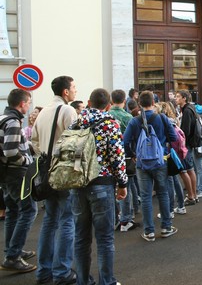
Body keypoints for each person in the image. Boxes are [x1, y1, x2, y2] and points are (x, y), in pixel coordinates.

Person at [69, 88, 128, 285]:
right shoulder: (110, 124)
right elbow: (117, 157)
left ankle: (83, 281)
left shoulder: (75, 122)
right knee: (105, 239)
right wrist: (122, 183)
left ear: (88, 102)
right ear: (108, 105)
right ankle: (107, 281)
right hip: (102, 183)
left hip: (77, 183)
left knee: (81, 237)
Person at [32, 75, 78, 285]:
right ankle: (62, 272)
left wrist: (44, 154)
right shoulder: (67, 110)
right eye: (74, 88)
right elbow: (77, 141)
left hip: (45, 171)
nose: (76, 91)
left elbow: (33, 141)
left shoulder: (42, 113)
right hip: (63, 170)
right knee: (67, 220)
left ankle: (44, 272)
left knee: (50, 221)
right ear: (66, 92)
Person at [123, 91, 178, 242]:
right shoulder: (161, 118)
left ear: (139, 103)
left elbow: (125, 141)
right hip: (160, 160)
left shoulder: (134, 121)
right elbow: (173, 137)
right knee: (163, 193)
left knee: (146, 196)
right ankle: (166, 227)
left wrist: (133, 154)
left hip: (142, 163)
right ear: (154, 103)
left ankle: (149, 231)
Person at [0, 89, 37, 273]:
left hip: (6, 175)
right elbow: (11, 151)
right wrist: (27, 161)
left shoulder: (3, 118)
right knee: (29, 210)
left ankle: (12, 249)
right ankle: (13, 256)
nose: (29, 106)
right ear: (22, 103)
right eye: (28, 102)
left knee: (13, 211)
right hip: (16, 174)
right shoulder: (13, 122)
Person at [110, 89, 140, 232]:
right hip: (125, 156)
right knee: (126, 186)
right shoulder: (128, 117)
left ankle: (116, 217)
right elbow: (133, 139)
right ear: (124, 101)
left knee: (113, 188)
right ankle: (126, 218)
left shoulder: (106, 116)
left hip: (107, 158)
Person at [176, 89, 202, 202]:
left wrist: (178, 128)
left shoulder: (187, 110)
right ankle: (194, 195)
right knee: (190, 169)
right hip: (190, 143)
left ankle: (192, 195)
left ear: (184, 98)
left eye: (178, 96)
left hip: (187, 144)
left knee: (187, 169)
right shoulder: (189, 109)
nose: (176, 98)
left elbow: (185, 131)